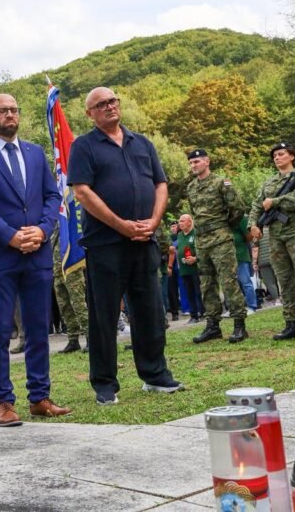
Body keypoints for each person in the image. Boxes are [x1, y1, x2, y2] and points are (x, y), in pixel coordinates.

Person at [67, 87, 183, 405]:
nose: (109, 107)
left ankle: (155, 375)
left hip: (145, 239)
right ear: (89, 113)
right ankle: (105, 383)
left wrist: (154, 221)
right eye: (100, 104)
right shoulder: (84, 146)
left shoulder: (141, 143)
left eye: (112, 101)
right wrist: (121, 225)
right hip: (105, 243)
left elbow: (160, 184)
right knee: (104, 316)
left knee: (150, 310)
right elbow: (82, 192)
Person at [0, 93, 72, 425]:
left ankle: (40, 397)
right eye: (2, 110)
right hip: (0, 255)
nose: (10, 115)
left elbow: (52, 196)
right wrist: (10, 235)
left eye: (14, 110)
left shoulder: (35, 153)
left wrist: (42, 230)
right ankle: (3, 402)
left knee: (38, 328)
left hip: (37, 253)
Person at [248, 142, 295, 341]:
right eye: (275, 155)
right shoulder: (269, 182)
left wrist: (273, 202)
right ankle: (291, 323)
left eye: (281, 154)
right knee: (284, 281)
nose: (277, 158)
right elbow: (257, 204)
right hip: (276, 238)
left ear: (292, 156)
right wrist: (253, 224)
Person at [182, 149, 249, 345]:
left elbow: (238, 208)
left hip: (221, 239)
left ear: (207, 161)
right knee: (207, 283)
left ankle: (239, 324)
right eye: (191, 163)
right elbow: (195, 213)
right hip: (202, 241)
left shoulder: (221, 183)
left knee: (228, 282)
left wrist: (225, 226)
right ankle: (213, 326)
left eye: (196, 161)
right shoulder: (191, 187)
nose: (193, 165)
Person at [52, 229, 88, 353]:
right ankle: (73, 340)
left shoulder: (69, 221)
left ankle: (90, 337)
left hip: (72, 269)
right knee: (64, 307)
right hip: (57, 271)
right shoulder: (54, 223)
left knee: (79, 305)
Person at [176, 214, 202, 323]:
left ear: (190, 222)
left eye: (182, 221)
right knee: (189, 293)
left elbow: (202, 249)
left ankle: (203, 312)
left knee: (199, 291)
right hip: (184, 269)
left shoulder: (196, 233)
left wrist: (195, 258)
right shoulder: (179, 235)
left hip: (196, 269)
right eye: (180, 221)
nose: (180, 223)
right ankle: (193, 315)